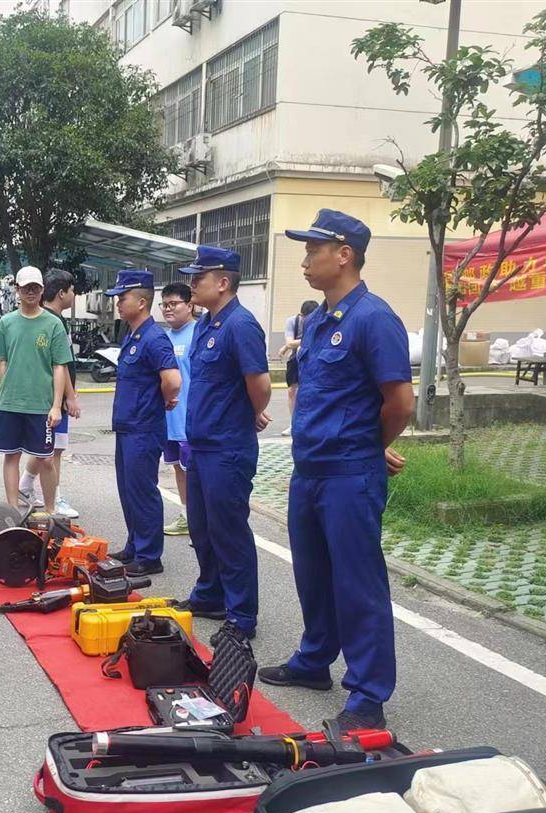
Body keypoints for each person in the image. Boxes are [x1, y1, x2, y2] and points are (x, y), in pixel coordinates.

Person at [260, 209, 415, 737]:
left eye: (313, 251)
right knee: (314, 574)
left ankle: (368, 695)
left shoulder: (374, 318)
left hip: (348, 473)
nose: (304, 262)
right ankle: (314, 660)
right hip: (310, 470)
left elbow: (400, 403)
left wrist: (369, 448)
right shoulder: (319, 321)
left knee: (357, 583)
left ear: (343, 254)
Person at [177, 246, 271, 639]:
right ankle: (210, 594)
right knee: (202, 527)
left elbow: (260, 385)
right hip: (202, 445)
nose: (192, 284)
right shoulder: (206, 324)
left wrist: (249, 413)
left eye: (199, 277)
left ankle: (241, 615)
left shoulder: (240, 325)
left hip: (227, 447)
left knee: (229, 531)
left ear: (223, 282)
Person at [107, 271, 180, 577]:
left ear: (141, 301)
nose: (118, 303)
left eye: (122, 298)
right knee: (128, 490)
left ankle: (150, 556)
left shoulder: (154, 337)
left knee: (142, 490)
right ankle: (135, 545)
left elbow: (172, 380)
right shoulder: (133, 335)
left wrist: (162, 400)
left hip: (143, 428)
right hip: (128, 427)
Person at [0, 266, 71, 511]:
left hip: (41, 405)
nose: (31, 292)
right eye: (26, 287)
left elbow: (60, 366)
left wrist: (56, 406)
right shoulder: (6, 323)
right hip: (10, 404)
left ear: (42, 289)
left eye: (35, 287)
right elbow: (3, 361)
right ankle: (13, 510)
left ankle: (50, 511)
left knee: (46, 459)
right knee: (11, 456)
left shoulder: (53, 324)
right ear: (17, 289)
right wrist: (2, 393)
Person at [17, 268, 82, 518]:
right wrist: (69, 396)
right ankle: (53, 498)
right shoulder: (54, 322)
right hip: (53, 399)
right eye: (72, 290)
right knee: (54, 450)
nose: (74, 295)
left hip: (48, 397)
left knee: (45, 448)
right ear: (61, 293)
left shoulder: (48, 319)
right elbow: (60, 365)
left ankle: (25, 486)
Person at [160, 283, 197, 536]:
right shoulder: (163, 337)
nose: (168, 309)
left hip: (191, 419)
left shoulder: (199, 333)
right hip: (169, 420)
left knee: (194, 471)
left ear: (190, 305)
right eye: (164, 305)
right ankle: (186, 515)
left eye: (174, 304)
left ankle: (199, 518)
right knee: (178, 468)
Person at [280, 300, 319, 437]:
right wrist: (288, 346)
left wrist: (288, 346)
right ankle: (294, 424)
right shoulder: (292, 321)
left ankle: (311, 423)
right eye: (307, 318)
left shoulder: (321, 321)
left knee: (312, 390)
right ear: (301, 315)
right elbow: (290, 342)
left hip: (314, 358)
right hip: (295, 359)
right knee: (292, 391)